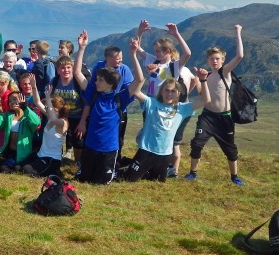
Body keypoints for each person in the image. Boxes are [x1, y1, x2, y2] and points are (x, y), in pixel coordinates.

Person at [121, 37, 210, 182]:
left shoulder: (182, 108)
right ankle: (131, 165)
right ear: (161, 92)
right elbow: (136, 90)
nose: (169, 94)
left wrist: (203, 80)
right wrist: (134, 56)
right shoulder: (151, 103)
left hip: (165, 155)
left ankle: (151, 168)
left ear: (178, 93)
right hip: (146, 151)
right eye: (167, 91)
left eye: (173, 91)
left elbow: (206, 100)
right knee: (128, 179)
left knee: (157, 182)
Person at [185, 25, 245, 185]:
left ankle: (234, 177)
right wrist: (199, 79)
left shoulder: (225, 72)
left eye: (218, 58)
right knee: (197, 143)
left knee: (230, 150)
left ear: (223, 60)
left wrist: (238, 32)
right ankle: (192, 173)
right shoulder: (208, 75)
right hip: (207, 116)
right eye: (212, 59)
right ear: (208, 60)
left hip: (225, 118)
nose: (215, 61)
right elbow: (202, 94)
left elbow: (239, 56)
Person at [76, 31, 134, 166]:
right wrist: (82, 48)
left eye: (121, 57)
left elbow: (132, 87)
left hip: (116, 109)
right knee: (94, 135)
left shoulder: (124, 69)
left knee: (117, 139)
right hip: (99, 106)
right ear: (108, 58)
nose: (120, 60)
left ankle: (114, 163)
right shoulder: (99, 67)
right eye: (117, 58)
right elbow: (78, 74)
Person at [78, 67, 134, 185]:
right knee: (84, 179)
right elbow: (77, 72)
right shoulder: (94, 94)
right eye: (97, 79)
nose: (96, 82)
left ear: (110, 84)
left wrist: (134, 55)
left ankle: (119, 170)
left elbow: (139, 81)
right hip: (90, 147)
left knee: (102, 182)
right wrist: (81, 49)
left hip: (108, 150)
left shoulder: (120, 99)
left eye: (100, 80)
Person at [0, 91, 42, 173]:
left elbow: (36, 122)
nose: (12, 102)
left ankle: (17, 166)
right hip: (8, 150)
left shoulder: (28, 116)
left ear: (22, 99)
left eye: (15, 99)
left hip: (21, 152)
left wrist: (25, 107)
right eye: (10, 101)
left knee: (4, 168)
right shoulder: (8, 115)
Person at [135, 21, 192, 98]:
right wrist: (140, 31)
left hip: (167, 100)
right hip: (151, 99)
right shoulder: (153, 60)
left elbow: (187, 54)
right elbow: (136, 47)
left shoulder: (174, 66)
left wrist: (176, 34)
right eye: (155, 51)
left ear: (167, 51)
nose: (155, 53)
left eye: (158, 51)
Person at [22, 84, 69, 177]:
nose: (47, 109)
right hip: (40, 155)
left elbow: (54, 119)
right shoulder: (49, 117)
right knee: (19, 167)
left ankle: (55, 172)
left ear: (58, 110)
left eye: (49, 107)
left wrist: (48, 99)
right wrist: (34, 86)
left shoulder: (63, 122)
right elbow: (37, 102)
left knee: (27, 170)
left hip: (52, 159)